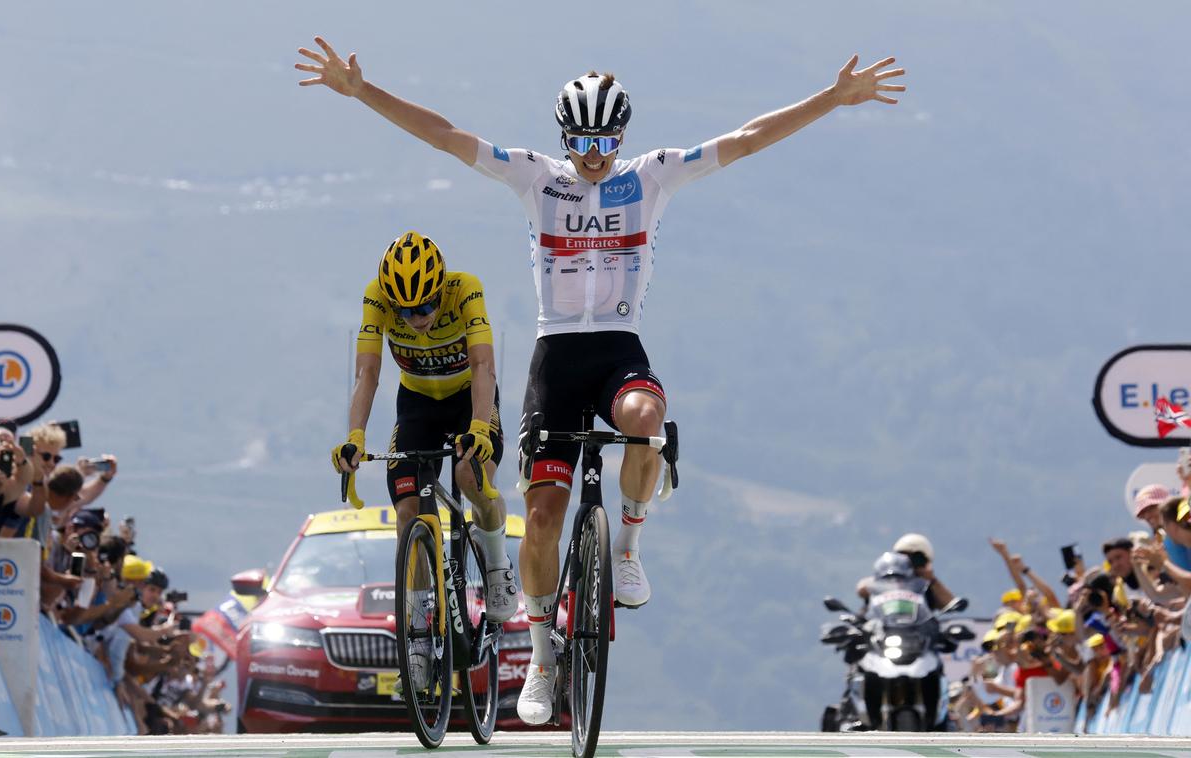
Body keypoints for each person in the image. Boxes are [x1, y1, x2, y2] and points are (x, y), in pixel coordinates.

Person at [298, 37, 905, 723]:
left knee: (646, 422)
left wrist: (831, 98)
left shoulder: (652, 177)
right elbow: (445, 137)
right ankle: (542, 657)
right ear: (565, 136)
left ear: (622, 134)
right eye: (583, 139)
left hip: (618, 350)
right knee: (545, 519)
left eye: (606, 139)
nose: (594, 153)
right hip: (555, 358)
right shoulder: (536, 178)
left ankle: (630, 546)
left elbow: (745, 140)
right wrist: (362, 91)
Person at [330, 232, 516, 628]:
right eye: (406, 312)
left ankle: (498, 565)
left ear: (441, 288)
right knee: (407, 512)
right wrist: (355, 438)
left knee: (471, 477)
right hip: (417, 405)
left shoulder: (465, 289)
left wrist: (481, 427)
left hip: (470, 398)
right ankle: (415, 634)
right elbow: (367, 373)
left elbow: (483, 365)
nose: (418, 319)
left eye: (428, 305)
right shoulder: (375, 298)